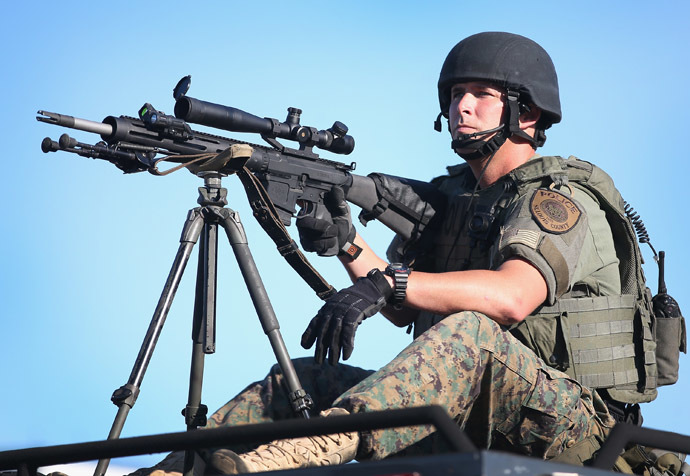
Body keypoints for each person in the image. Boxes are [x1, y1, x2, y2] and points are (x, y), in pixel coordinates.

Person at [135, 31, 660, 475]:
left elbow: (511, 297)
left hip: (576, 431)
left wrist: (390, 281)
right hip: (471, 419)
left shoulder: (559, 199)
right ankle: (176, 470)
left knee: (472, 330)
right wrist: (346, 243)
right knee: (304, 379)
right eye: (455, 95)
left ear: (528, 111)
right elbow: (405, 309)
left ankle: (313, 449)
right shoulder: (455, 198)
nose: (462, 107)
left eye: (481, 94)